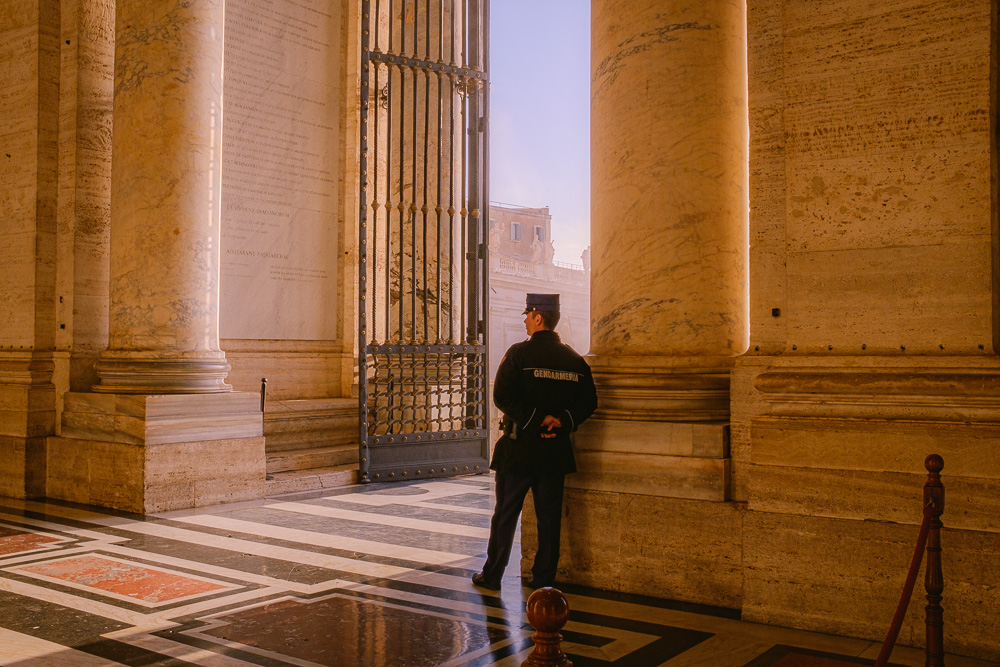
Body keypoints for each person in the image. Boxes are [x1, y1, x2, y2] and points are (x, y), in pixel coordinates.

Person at [472, 293, 598, 590]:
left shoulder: (518, 354)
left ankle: (493, 575)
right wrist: (561, 420)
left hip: (519, 449)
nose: (526, 322)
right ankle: (543, 580)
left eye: (528, 316)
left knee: (505, 516)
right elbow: (589, 402)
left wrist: (537, 419)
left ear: (538, 317)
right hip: (554, 452)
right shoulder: (574, 360)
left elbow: (502, 397)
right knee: (549, 519)